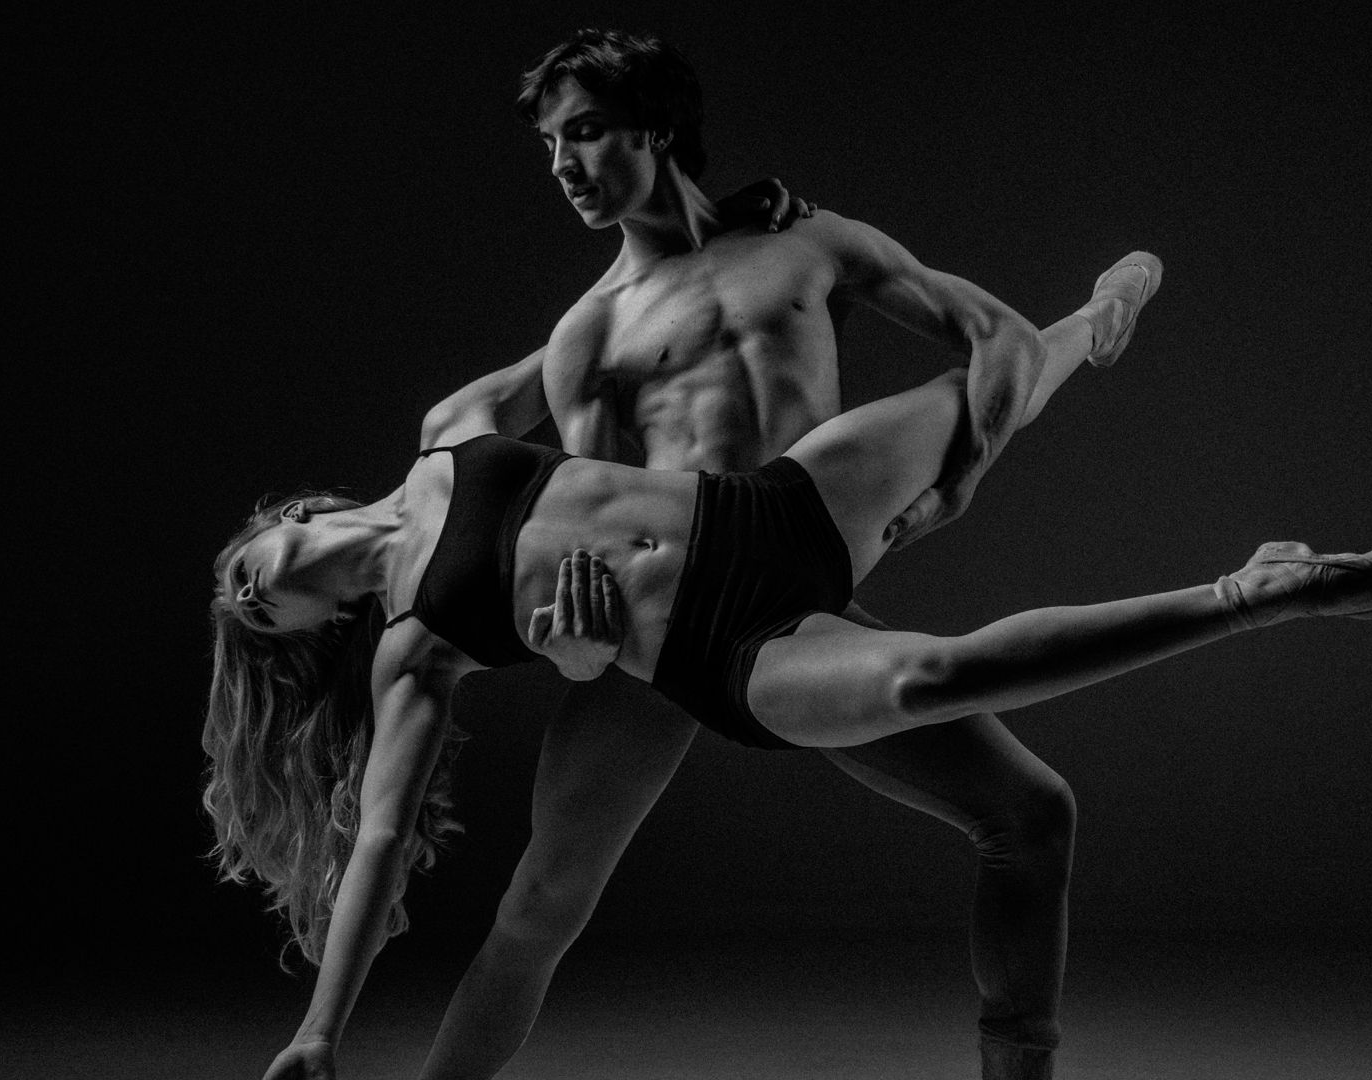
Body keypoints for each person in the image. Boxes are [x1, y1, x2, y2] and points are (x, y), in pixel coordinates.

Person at [206, 337, 1372, 1078]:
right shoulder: (412, 647)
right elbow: (380, 838)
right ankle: (1249, 594)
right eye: (251, 621)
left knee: (987, 385)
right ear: (311, 633)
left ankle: (1094, 319)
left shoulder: (449, 432)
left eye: (238, 574)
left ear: (281, 521)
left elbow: (603, 328)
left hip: (767, 511)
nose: (246, 598)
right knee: (928, 677)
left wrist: (753, 228)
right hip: (725, 648)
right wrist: (322, 1031)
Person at [405, 29, 1157, 1080]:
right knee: (540, 904)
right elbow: (603, 525)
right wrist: (579, 649)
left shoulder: (805, 242)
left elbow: (992, 335)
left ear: (656, 128)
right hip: (678, 625)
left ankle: (1094, 321)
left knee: (1032, 813)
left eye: (586, 132)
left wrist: (958, 483)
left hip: (797, 593)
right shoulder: (587, 335)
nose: (563, 165)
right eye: (549, 145)